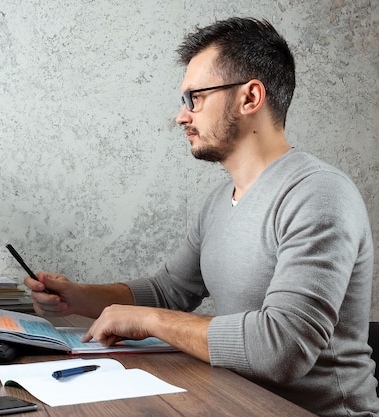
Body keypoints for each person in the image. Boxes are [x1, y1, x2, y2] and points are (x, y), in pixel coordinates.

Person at [23, 17, 379, 417]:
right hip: (233, 403)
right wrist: (79, 297)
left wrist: (151, 321)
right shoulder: (217, 202)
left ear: (250, 98)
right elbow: (169, 289)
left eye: (195, 97)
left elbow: (283, 348)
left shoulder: (319, 194)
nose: (181, 116)